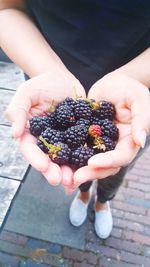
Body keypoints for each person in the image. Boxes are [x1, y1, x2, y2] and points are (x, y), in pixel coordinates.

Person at [0, 0, 150, 239]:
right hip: (48, 78)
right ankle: (82, 195)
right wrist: (48, 70)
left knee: (116, 167)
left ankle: (103, 201)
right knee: (81, 169)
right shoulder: (64, 121)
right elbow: (6, 9)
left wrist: (135, 76)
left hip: (133, 103)